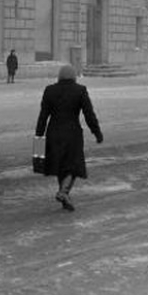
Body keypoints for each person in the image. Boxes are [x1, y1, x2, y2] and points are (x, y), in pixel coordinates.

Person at [35, 65, 103, 212]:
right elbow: (89, 115)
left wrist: (39, 138)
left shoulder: (49, 90)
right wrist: (97, 133)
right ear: (74, 77)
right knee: (73, 165)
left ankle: (65, 197)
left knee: (61, 166)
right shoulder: (80, 90)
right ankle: (64, 192)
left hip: (53, 133)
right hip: (72, 134)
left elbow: (43, 117)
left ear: (59, 77)